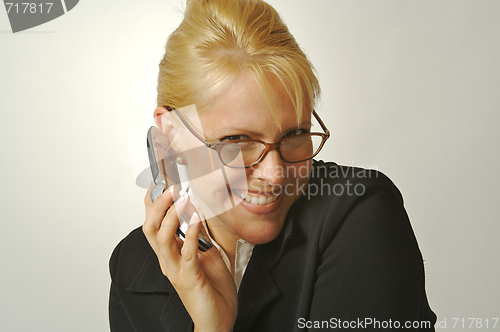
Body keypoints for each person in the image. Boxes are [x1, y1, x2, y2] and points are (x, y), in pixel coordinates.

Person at [109, 0, 436, 331]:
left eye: (295, 133)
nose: (275, 174)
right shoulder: (132, 265)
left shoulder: (359, 215)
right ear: (170, 134)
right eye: (237, 141)